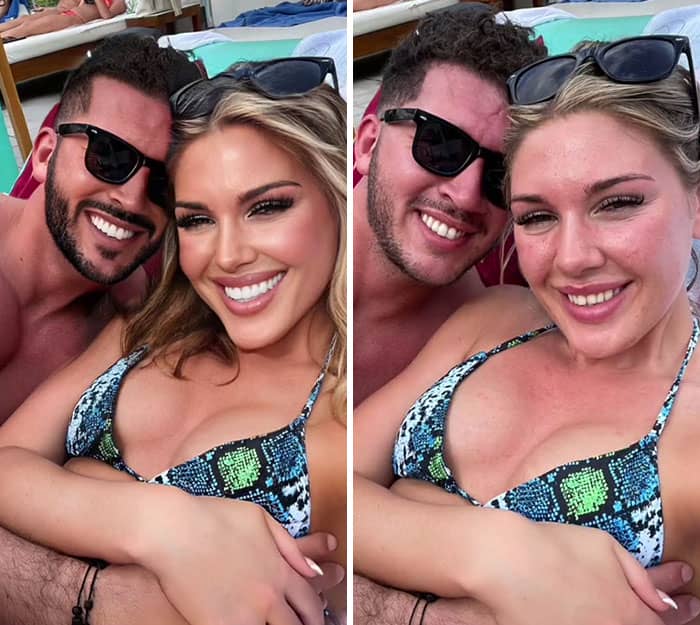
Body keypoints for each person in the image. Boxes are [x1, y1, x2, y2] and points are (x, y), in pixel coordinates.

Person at [355, 34, 700, 625]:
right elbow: (323, 490)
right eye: (537, 216)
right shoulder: (494, 319)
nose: (572, 258)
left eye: (617, 204)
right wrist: (497, 555)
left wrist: (399, 517)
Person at [0, 57, 347, 625]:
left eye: (267, 208)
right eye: (196, 219)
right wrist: (166, 525)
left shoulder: (339, 430)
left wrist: (75, 478)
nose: (228, 256)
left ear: (336, 199)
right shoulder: (147, 327)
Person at [0, 35, 198, 422]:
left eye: (164, 183)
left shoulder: (136, 320)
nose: (132, 199)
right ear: (45, 155)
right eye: (108, 155)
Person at [353, 8, 545, 405]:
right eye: (440, 145)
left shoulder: (484, 337)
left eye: (501, 174)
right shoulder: (273, 271)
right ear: (368, 145)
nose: (467, 195)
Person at [0, 0, 125, 41]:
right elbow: (79, 6)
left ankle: (3, 37)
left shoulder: (120, 2)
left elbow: (107, 16)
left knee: (29, 27)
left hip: (72, 18)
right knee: (25, 19)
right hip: (67, 13)